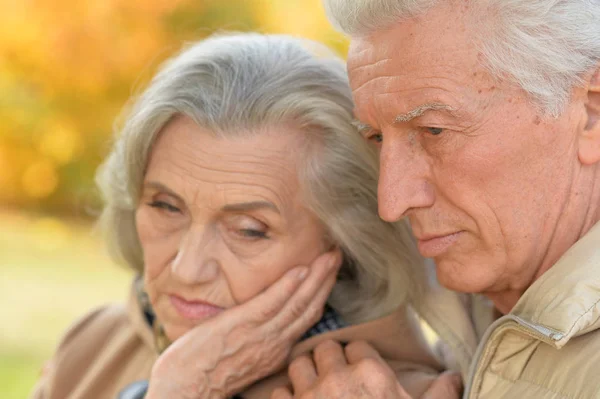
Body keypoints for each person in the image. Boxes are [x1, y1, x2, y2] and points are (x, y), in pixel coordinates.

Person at [29, 33, 459, 399]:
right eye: (165, 206)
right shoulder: (96, 342)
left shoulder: (397, 390)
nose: (187, 268)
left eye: (249, 231)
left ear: (344, 243)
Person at [272, 1, 600, 398]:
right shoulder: (465, 306)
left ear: (590, 113)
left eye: (434, 130)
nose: (392, 202)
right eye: (376, 137)